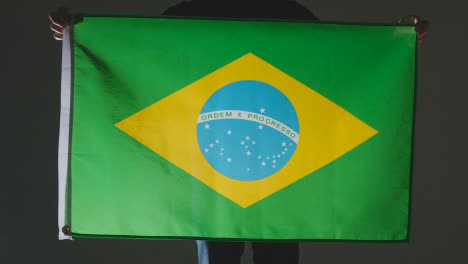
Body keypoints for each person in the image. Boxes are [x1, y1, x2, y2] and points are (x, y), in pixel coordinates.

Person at [49, 1, 428, 263]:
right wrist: (76, 36)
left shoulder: (290, 13)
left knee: (277, 255)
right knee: (217, 256)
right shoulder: (185, 14)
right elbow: (136, 56)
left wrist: (398, 40)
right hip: (209, 172)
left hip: (279, 177)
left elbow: (336, 63)